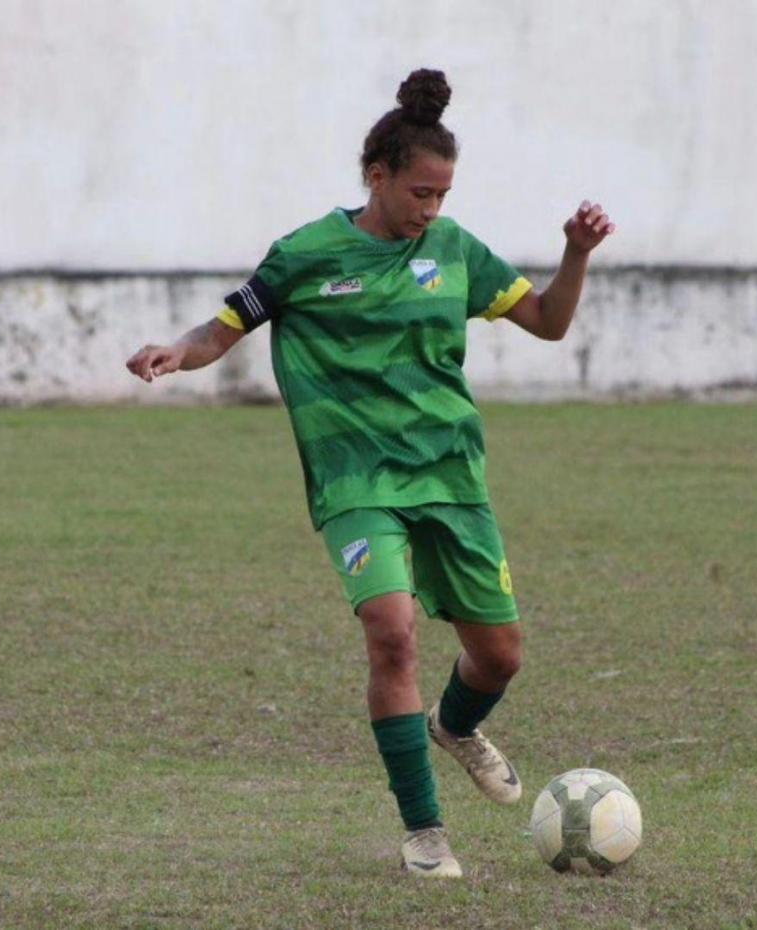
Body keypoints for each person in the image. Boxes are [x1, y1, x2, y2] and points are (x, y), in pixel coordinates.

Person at [126, 68, 614, 879]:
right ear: (377, 176)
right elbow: (226, 326)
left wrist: (575, 253)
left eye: (443, 196)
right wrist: (180, 353)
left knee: (500, 657)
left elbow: (550, 323)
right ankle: (425, 833)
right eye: (420, 192)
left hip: (451, 476)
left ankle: (455, 727)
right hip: (356, 481)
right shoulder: (306, 255)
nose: (431, 210)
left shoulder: (454, 252)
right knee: (392, 635)